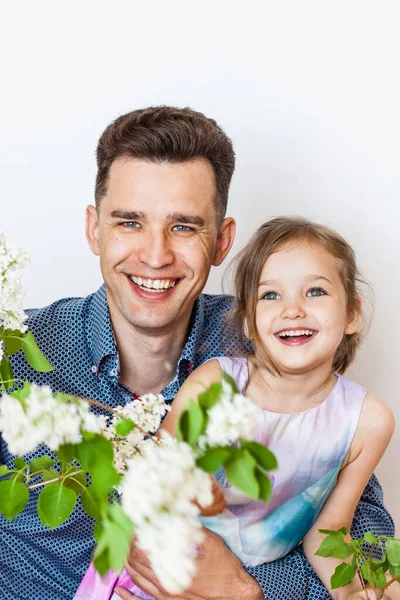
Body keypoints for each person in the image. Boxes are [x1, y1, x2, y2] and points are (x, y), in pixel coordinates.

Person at [0, 108, 394, 600]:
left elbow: (362, 540)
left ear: (222, 241)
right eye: (129, 222)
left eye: (184, 227)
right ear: (94, 228)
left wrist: (242, 592)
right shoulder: (13, 356)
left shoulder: (271, 342)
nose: (156, 255)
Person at [84, 216, 394, 600]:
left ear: (352, 314)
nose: (293, 309)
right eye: (270, 295)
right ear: (248, 321)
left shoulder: (367, 420)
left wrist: (352, 592)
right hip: (153, 576)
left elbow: (329, 530)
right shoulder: (216, 383)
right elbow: (152, 475)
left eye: (315, 291)